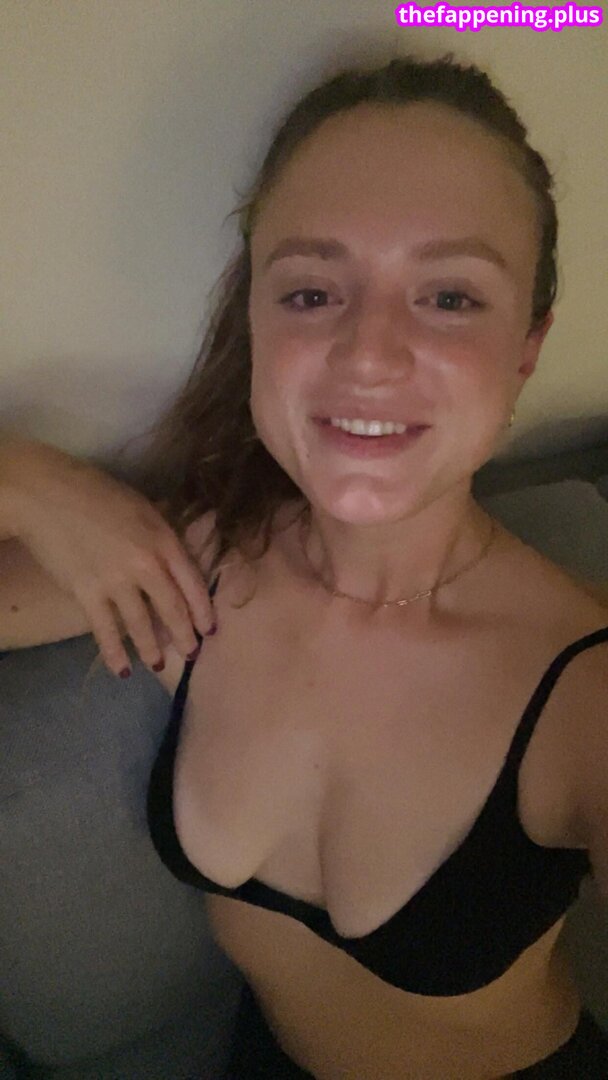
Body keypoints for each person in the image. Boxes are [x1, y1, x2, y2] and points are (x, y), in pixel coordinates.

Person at [1, 51, 608, 1079]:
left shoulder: (584, 697)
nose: (367, 353)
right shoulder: (200, 564)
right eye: (312, 291)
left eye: (449, 297)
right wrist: (25, 479)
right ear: (254, 320)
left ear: (526, 348)